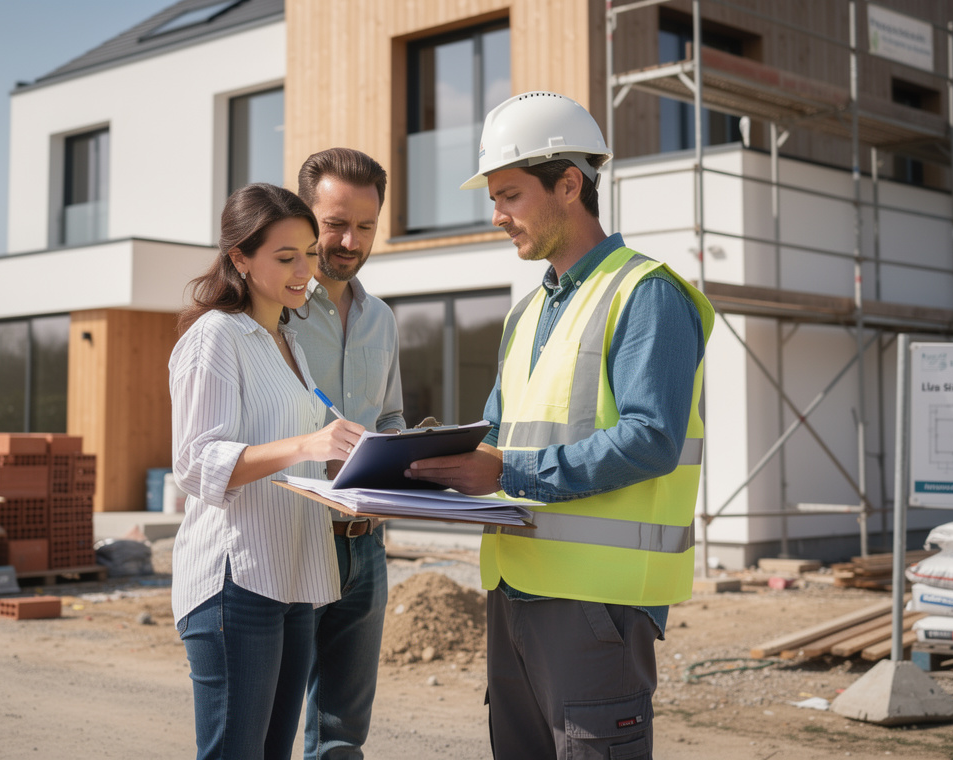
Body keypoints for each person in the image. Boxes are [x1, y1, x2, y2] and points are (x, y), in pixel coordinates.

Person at [405, 91, 715, 759]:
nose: (497, 216)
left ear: (569, 184)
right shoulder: (525, 314)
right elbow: (494, 439)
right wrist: (406, 471)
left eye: (510, 195)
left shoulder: (647, 294)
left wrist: (507, 471)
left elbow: (650, 439)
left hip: (594, 605)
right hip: (515, 588)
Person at [169, 182, 366, 760]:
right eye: (285, 257)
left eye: (309, 252)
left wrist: (345, 459)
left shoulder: (288, 341)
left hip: (294, 574)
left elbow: (288, 455)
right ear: (239, 259)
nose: (305, 269)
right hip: (237, 579)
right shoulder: (216, 336)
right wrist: (307, 441)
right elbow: (197, 462)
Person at [290, 147, 405, 760]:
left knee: (341, 735)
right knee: (268, 722)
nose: (349, 239)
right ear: (305, 218)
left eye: (365, 225)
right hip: (291, 535)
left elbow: (388, 417)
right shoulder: (272, 313)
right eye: (334, 222)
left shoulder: (381, 319)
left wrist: (403, 464)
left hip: (366, 545)